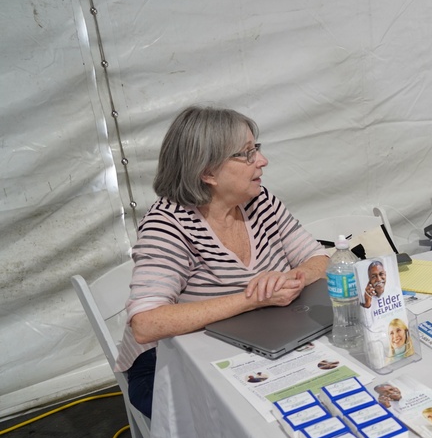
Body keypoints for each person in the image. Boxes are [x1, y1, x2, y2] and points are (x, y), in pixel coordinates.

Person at [114, 106, 328, 419]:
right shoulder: (169, 224)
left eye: (257, 149)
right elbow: (146, 324)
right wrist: (251, 299)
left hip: (253, 343)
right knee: (258, 418)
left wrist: (294, 278)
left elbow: (319, 258)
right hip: (164, 367)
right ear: (208, 172)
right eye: (246, 154)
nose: (262, 161)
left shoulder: (259, 201)